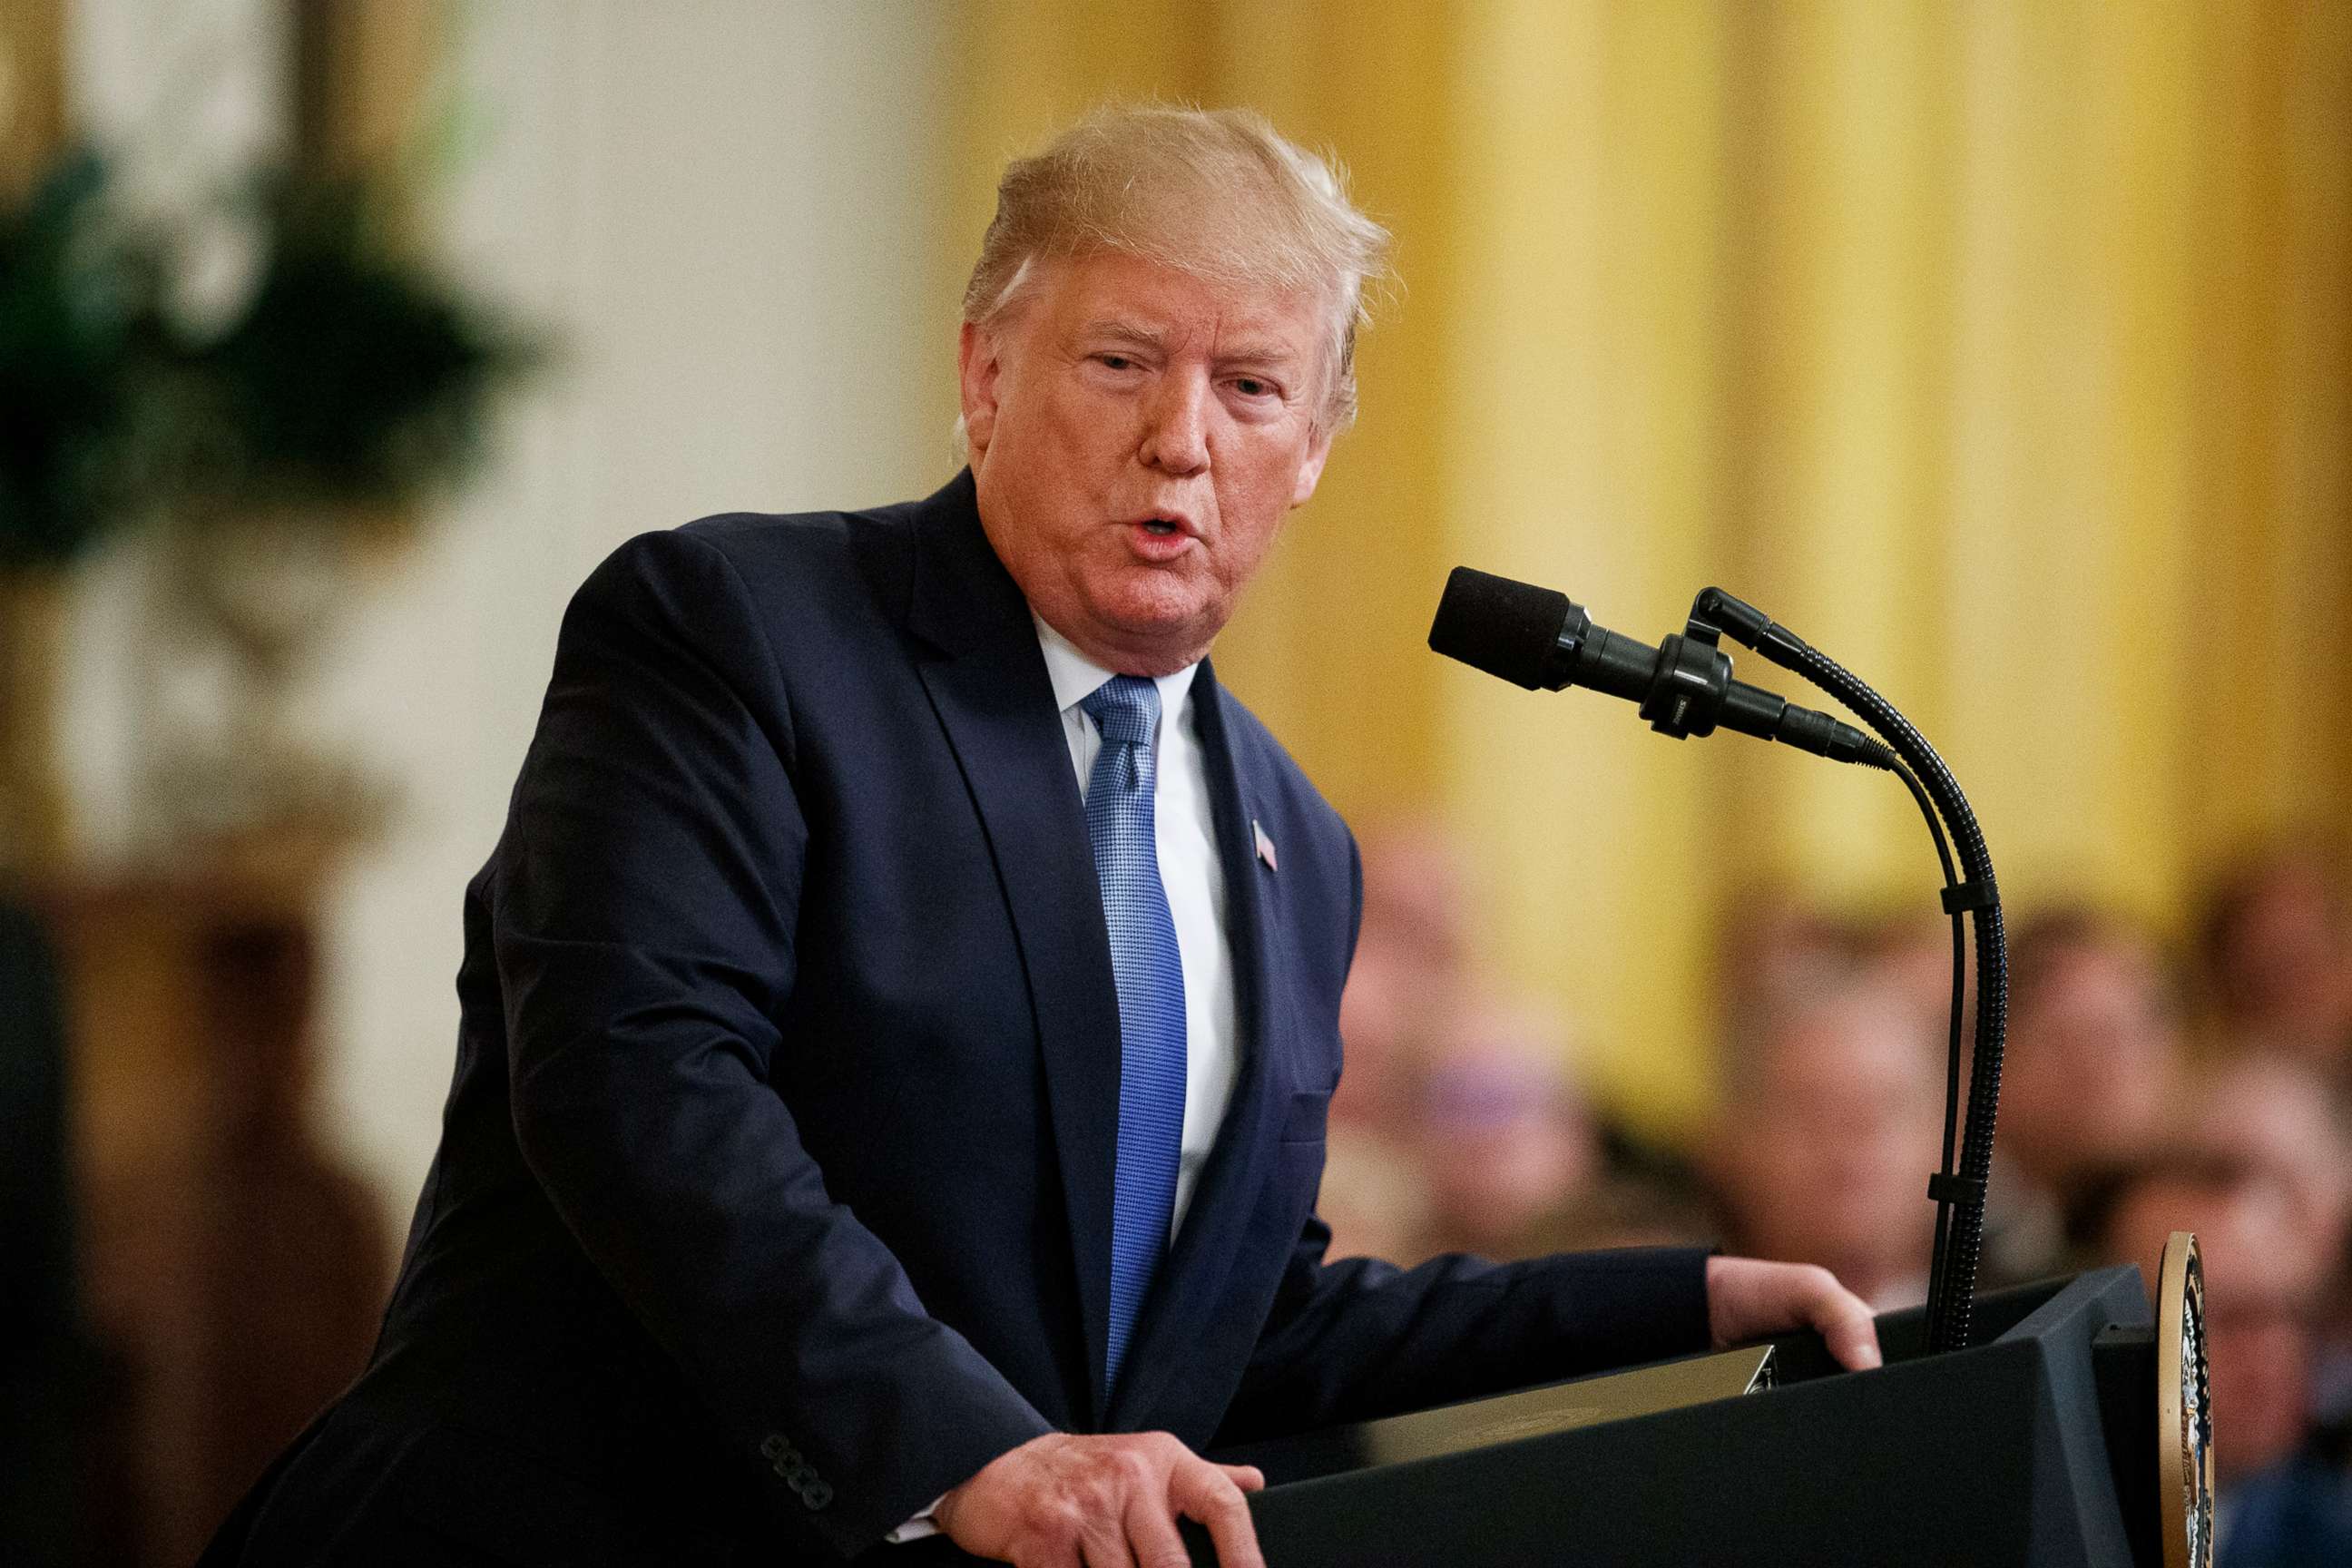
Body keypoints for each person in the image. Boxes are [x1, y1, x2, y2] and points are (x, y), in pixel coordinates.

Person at [202, 105, 1877, 1568]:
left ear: (1315, 449)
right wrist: (967, 1452)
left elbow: (1228, 1323)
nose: (1185, 441)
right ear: (984, 375)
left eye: (1252, 385)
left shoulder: (1296, 841)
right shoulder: (738, 633)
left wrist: (1685, 1302)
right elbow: (642, 1087)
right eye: (1122, 361)